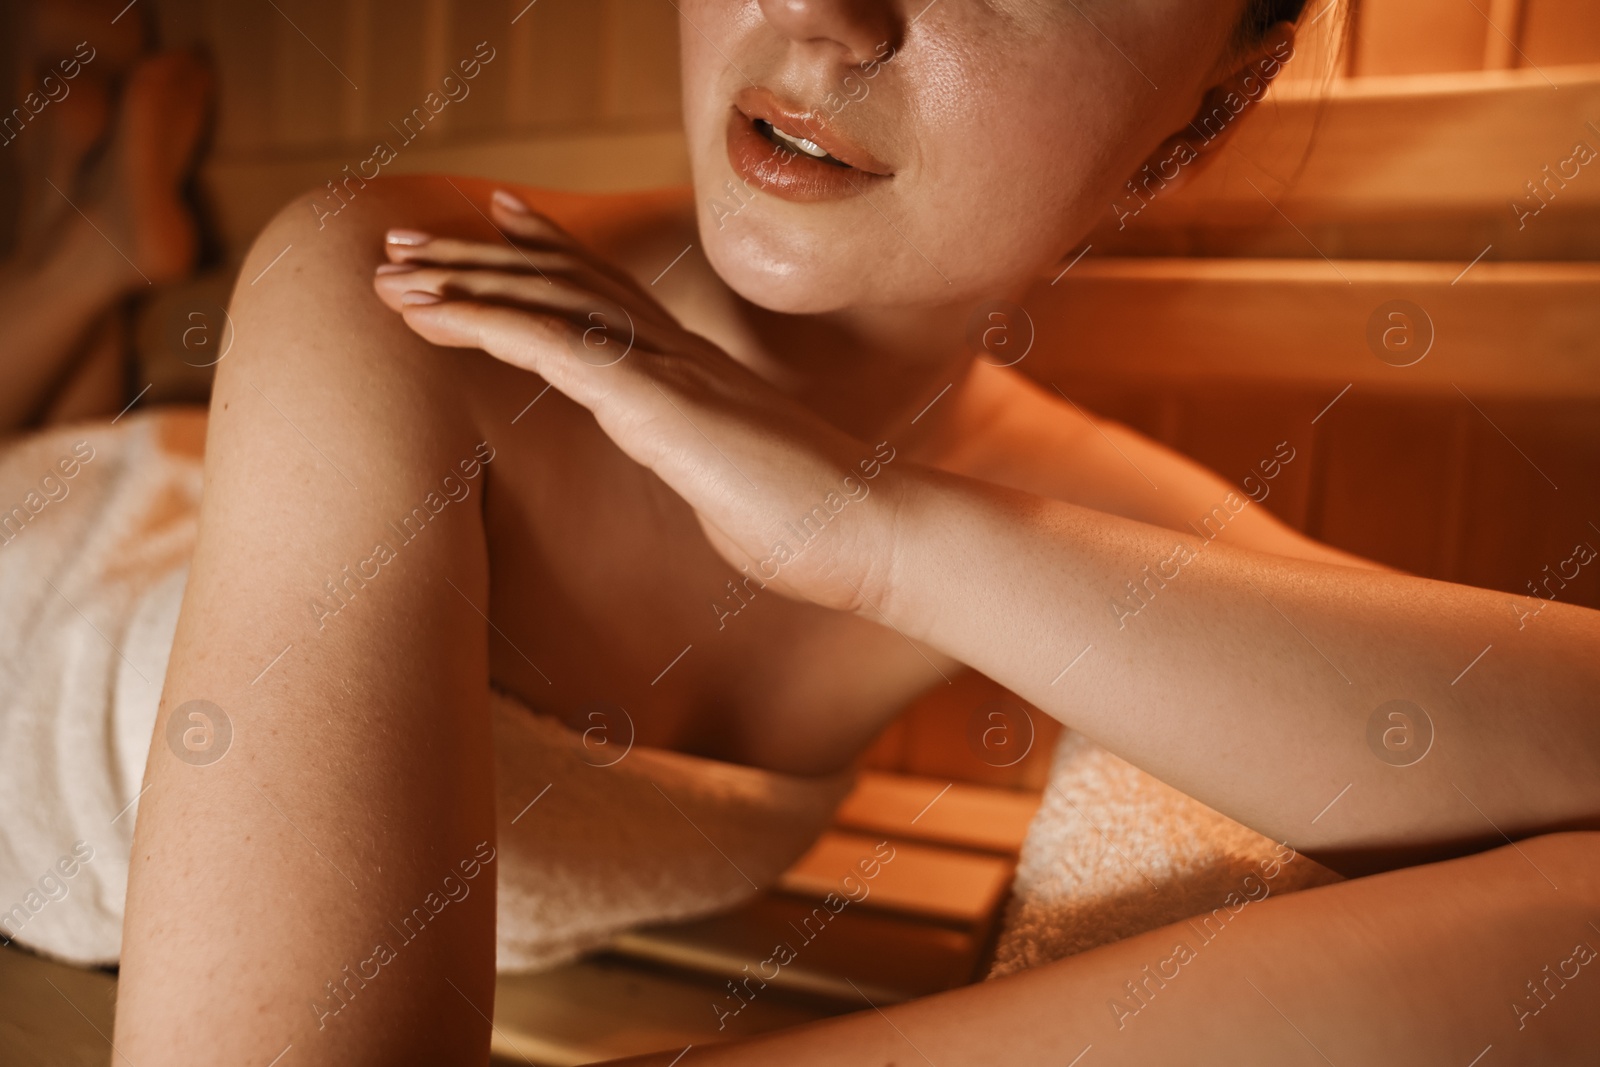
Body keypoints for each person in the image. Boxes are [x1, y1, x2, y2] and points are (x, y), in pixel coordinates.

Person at [107, 1, 1599, 1064]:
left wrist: (873, 529)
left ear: (1193, 123)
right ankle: (83, 263)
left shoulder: (1044, 511)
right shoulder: (395, 289)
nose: (820, 19)